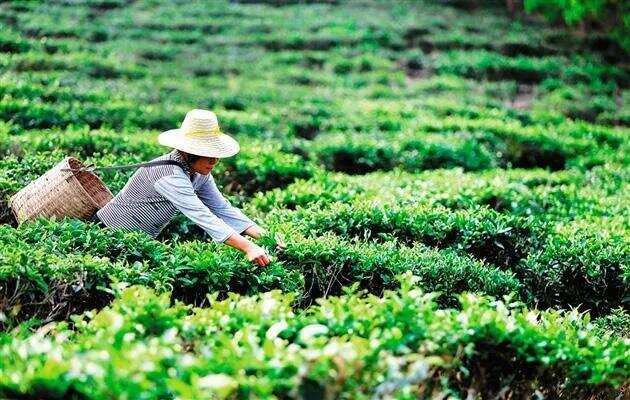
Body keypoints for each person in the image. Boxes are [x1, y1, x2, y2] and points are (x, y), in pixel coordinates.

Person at [93, 109, 274, 267]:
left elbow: (222, 209)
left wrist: (267, 237)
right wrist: (248, 247)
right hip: (106, 234)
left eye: (216, 153)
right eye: (207, 153)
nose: (214, 160)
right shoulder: (169, 174)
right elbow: (202, 216)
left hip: (136, 242)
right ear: (189, 151)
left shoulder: (199, 173)